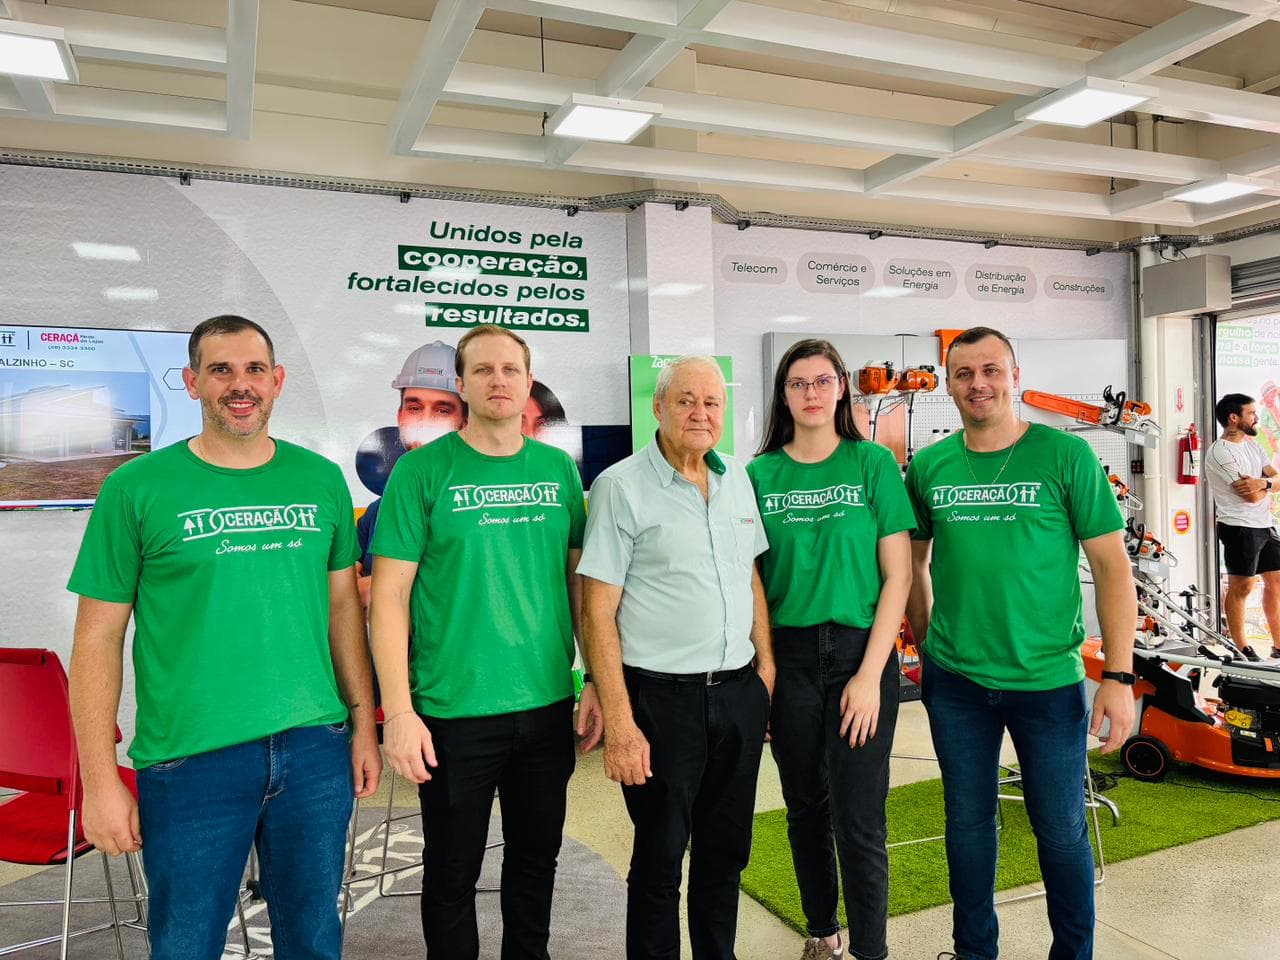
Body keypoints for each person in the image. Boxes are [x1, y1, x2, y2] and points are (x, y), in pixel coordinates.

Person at [67, 314, 380, 960]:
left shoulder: (319, 480)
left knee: (315, 938)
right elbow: (97, 640)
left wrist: (363, 727)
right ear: (191, 382)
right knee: (184, 945)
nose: (241, 386)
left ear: (277, 380)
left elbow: (343, 608)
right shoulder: (134, 489)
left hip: (314, 751)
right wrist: (99, 780)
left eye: (254, 370)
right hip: (190, 761)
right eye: (221, 370)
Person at [903, 326, 1136, 960]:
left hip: (1048, 682)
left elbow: (1114, 568)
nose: (978, 384)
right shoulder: (929, 466)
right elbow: (913, 564)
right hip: (956, 686)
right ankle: (975, 952)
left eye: (990, 370)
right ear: (948, 383)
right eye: (963, 373)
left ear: (1013, 374)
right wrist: (926, 646)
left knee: (1060, 831)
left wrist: (1118, 676)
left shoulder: (1065, 457)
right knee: (968, 828)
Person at [368, 324, 600, 960]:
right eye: (483, 370)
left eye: (510, 369)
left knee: (535, 864)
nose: (498, 380)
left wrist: (597, 681)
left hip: (546, 702)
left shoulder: (558, 471)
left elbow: (580, 588)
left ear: (527, 383)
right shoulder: (420, 473)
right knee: (451, 875)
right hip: (452, 711)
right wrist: (401, 712)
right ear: (463, 384)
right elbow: (387, 600)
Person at [579, 355, 774, 960]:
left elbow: (749, 578)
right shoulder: (620, 486)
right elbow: (596, 613)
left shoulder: (738, 478)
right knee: (660, 858)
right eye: (685, 400)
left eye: (711, 402)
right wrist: (621, 725)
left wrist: (763, 672)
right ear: (657, 408)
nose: (699, 413)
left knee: (725, 855)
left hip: (738, 692)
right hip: (662, 701)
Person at [747, 339, 914, 960]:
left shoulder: (871, 463)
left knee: (861, 816)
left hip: (858, 653)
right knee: (804, 806)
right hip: (786, 656)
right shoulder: (759, 475)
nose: (811, 393)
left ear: (842, 387)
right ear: (782, 394)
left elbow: (897, 575)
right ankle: (823, 933)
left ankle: (872, 951)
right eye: (798, 383)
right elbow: (752, 582)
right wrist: (764, 672)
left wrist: (871, 676)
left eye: (822, 381)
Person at [356, 340, 466, 607]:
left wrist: (382, 586)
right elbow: (345, 597)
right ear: (400, 415)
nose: (424, 422)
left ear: (465, 420)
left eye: (442, 410)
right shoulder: (377, 512)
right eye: (414, 408)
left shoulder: (483, 504)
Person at [1206, 393, 1280, 661]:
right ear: (1233, 418)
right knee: (1243, 586)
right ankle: (1241, 648)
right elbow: (1249, 495)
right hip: (1239, 526)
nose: (1256, 417)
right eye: (1251, 413)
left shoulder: (1253, 446)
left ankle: (1278, 645)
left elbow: (1273, 479)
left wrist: (1264, 484)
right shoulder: (1220, 452)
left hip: (1264, 524)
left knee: (1277, 582)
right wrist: (1266, 486)